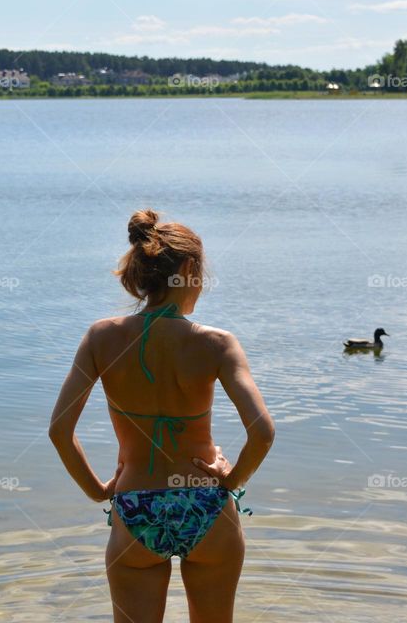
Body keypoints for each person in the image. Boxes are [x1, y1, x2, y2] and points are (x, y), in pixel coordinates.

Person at [49, 209, 275, 622]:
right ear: (190, 269)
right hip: (205, 505)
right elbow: (262, 431)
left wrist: (99, 491)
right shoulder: (218, 344)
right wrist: (232, 479)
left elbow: (60, 431)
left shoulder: (101, 337)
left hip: (136, 507)